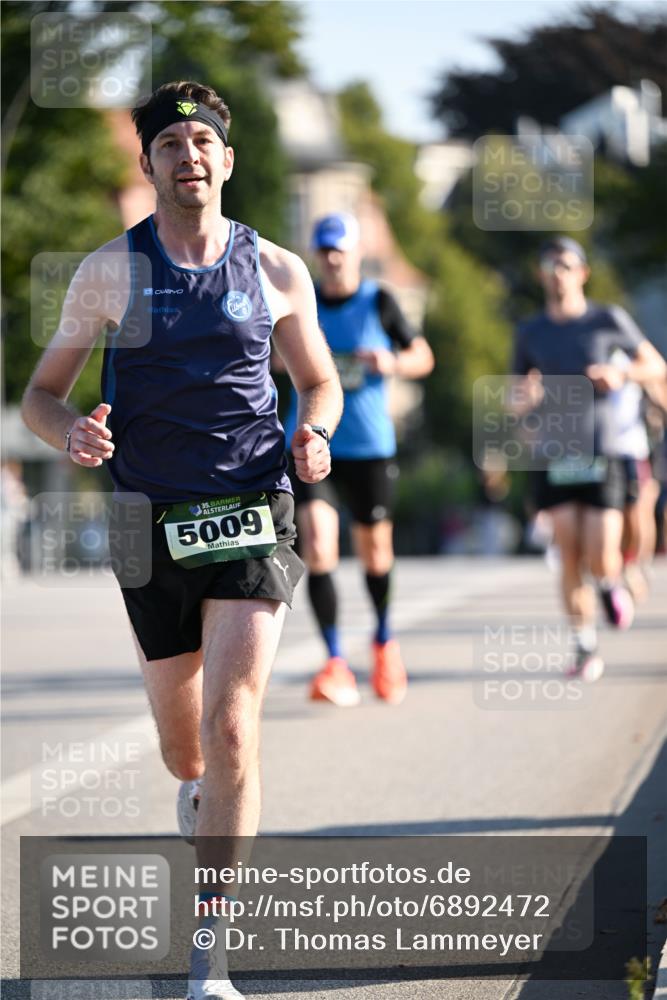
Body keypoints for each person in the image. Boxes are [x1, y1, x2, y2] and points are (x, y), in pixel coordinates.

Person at [21, 80, 342, 1000]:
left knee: (233, 722)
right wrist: (70, 432)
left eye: (203, 141)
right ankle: (197, 797)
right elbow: (41, 396)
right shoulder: (107, 273)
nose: (188, 155)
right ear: (149, 163)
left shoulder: (277, 268)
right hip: (144, 520)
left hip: (250, 505)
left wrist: (313, 430)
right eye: (170, 144)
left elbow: (318, 381)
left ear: (226, 160)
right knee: (186, 750)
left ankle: (212, 950)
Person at [280, 212, 434, 706]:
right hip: (309, 441)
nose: (331, 258)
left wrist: (390, 361)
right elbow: (268, 354)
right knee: (319, 547)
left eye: (339, 249)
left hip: (368, 445)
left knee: (375, 552)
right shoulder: (301, 304)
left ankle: (385, 643)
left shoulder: (379, 300)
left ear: (355, 252)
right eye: (324, 250)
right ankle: (334, 662)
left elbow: (423, 356)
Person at [512, 236, 666, 681]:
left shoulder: (607, 319)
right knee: (568, 552)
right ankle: (584, 646)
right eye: (549, 265)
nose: (556, 273)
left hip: (603, 451)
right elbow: (515, 394)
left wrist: (621, 372)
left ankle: (610, 583)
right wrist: (526, 396)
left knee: (601, 552)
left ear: (582, 273)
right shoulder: (530, 332)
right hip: (555, 453)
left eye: (565, 265)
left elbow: (656, 367)